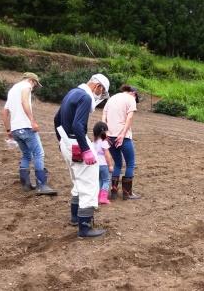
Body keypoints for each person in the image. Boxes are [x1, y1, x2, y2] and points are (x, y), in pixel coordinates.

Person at [54, 74, 110, 238]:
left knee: (77, 180)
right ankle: (84, 228)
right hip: (77, 143)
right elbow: (78, 125)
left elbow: (56, 119)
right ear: (98, 87)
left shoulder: (72, 92)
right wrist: (86, 149)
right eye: (101, 92)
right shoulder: (85, 97)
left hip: (67, 142)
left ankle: (74, 217)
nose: (99, 96)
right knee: (89, 184)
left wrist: (61, 141)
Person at [1, 72, 57, 195]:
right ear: (32, 80)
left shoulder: (12, 90)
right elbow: (24, 102)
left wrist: (8, 130)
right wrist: (32, 121)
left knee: (26, 155)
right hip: (26, 127)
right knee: (39, 153)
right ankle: (42, 185)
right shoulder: (26, 87)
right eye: (35, 84)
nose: (34, 87)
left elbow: (4, 112)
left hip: (16, 130)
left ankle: (26, 184)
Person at [102, 84, 141, 200]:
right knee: (130, 163)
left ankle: (113, 191)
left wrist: (105, 132)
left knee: (117, 163)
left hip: (109, 136)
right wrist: (123, 134)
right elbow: (129, 118)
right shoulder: (130, 99)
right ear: (133, 93)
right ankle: (127, 193)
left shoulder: (112, 98)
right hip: (123, 137)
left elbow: (103, 115)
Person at [93, 121, 114, 205]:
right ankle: (103, 198)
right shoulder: (104, 142)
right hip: (103, 165)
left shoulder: (93, 142)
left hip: (95, 165)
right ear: (104, 132)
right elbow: (107, 155)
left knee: (99, 180)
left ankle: (98, 196)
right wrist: (110, 165)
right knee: (106, 180)